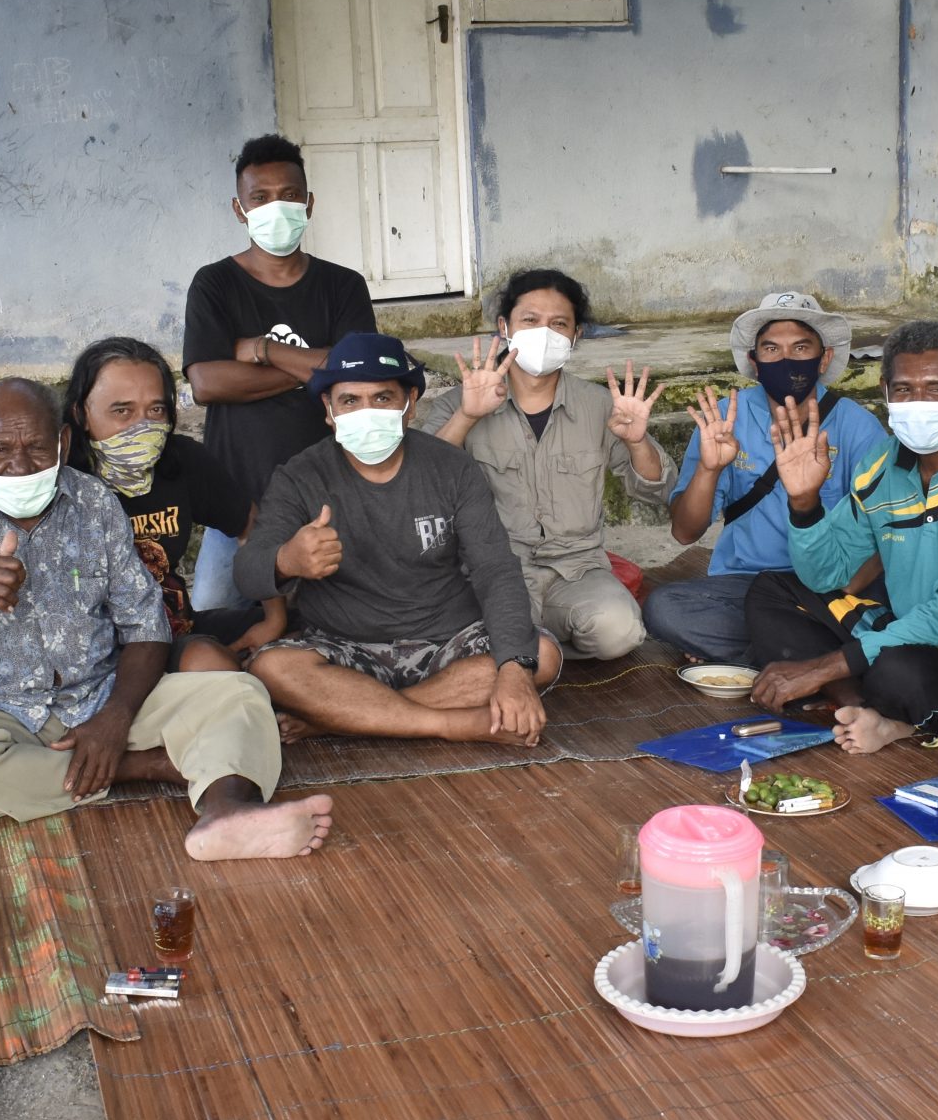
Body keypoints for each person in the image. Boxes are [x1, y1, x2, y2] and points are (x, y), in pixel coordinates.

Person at [0, 379, 331, 860]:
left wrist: (114, 719)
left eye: (37, 447)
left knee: (237, 693)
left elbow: (146, 629)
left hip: (96, 695)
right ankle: (147, 767)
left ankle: (227, 812)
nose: (20, 466)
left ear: (63, 442)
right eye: (0, 450)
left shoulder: (94, 503)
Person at [0, 339, 287, 668]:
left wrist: (272, 618)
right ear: (80, 416)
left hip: (163, 630)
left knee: (281, 646)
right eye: (122, 411)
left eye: (156, 410)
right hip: (77, 652)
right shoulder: (45, 476)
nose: (142, 426)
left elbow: (250, 526)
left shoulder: (181, 461)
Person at [238, 333, 562, 744]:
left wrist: (514, 669)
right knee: (272, 670)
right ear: (329, 410)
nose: (366, 411)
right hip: (344, 646)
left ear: (410, 404)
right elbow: (247, 575)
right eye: (350, 401)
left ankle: (341, 719)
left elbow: (496, 570)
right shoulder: (300, 475)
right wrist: (287, 560)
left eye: (383, 398)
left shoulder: (452, 467)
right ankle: (449, 724)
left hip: (449, 642)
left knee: (540, 656)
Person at [745, 319, 938, 753]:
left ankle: (869, 702)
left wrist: (824, 666)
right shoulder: (882, 462)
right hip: (902, 629)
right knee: (770, 592)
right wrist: (804, 502)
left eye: (936, 389)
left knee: (897, 671)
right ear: (885, 392)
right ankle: (861, 706)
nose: (918, 402)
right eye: (903, 390)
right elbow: (827, 576)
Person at [181, 134, 378, 639]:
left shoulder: (343, 285)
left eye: (290, 195)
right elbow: (206, 382)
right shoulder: (214, 284)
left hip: (333, 494)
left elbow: (358, 375)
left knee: (343, 626)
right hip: (239, 505)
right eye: (260, 198)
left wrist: (266, 350)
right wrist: (315, 370)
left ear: (309, 203)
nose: (277, 207)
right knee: (215, 622)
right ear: (239, 209)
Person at [417, 269, 670, 661]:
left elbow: (656, 489)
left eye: (558, 324)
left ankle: (531, 650)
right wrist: (467, 416)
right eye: (530, 320)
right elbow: (418, 485)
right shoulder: (460, 402)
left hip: (577, 569)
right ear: (505, 327)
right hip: (491, 570)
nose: (544, 333)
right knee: (449, 633)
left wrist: (637, 443)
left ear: (576, 335)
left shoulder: (601, 405)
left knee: (619, 632)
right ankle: (531, 648)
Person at [643, 290, 889, 665]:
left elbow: (884, 536)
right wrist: (710, 468)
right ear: (754, 362)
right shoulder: (726, 418)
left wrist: (839, 592)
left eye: (801, 348)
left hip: (827, 590)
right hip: (747, 587)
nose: (786, 359)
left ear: (824, 359)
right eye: (771, 349)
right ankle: (806, 657)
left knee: (885, 608)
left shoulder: (859, 428)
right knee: (663, 608)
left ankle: (766, 654)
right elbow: (685, 533)